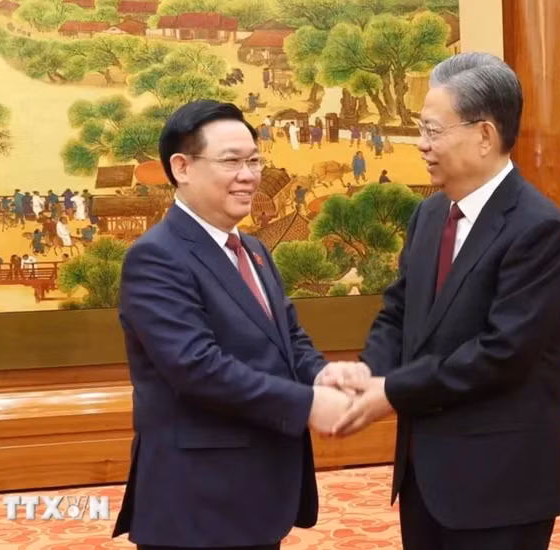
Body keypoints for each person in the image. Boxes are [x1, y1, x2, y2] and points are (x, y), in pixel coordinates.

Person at [330, 52, 560, 550]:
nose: (421, 145)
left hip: (501, 486)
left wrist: (393, 391)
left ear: (484, 135)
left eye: (432, 131)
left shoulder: (537, 228)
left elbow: (501, 353)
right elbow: (398, 312)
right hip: (425, 478)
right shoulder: (428, 216)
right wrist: (368, 373)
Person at [111, 99, 368, 550]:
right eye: (231, 161)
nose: (249, 175)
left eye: (254, 161)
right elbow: (196, 367)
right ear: (182, 167)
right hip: (198, 503)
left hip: (256, 489)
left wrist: (321, 372)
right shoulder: (156, 256)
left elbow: (287, 336)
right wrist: (308, 403)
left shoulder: (252, 249)